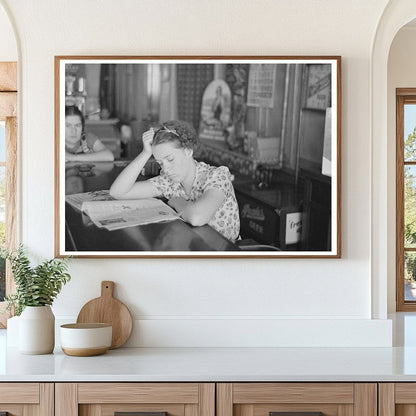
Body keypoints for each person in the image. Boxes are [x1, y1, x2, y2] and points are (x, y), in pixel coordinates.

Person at [109, 120, 240, 242]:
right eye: (160, 163)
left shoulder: (217, 175)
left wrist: (178, 202)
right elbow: (118, 192)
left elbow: (197, 217)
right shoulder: (170, 182)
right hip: (192, 247)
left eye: (170, 159)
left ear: (188, 151)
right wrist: (145, 153)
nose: (165, 169)